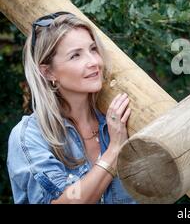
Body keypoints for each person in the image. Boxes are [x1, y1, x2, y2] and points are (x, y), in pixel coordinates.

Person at [7, 12, 136, 204]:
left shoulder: (121, 118)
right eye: (75, 55)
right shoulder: (29, 136)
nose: (93, 62)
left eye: (93, 49)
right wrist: (115, 150)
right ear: (48, 72)